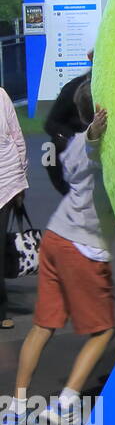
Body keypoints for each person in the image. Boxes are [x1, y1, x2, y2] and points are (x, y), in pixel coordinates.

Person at [1, 84, 115, 425]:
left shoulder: (70, 148)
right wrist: (98, 128)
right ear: (94, 114)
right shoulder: (93, 147)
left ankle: (16, 408)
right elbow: (94, 142)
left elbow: (88, 142)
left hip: (55, 238)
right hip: (82, 247)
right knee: (103, 330)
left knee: (43, 325)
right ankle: (65, 404)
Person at [42, 51, 92, 197]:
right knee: (51, 149)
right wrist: (71, 139)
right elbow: (50, 123)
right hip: (77, 153)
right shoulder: (73, 89)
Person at [1, 84, 29, 331]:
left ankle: (1, 310)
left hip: (5, 183)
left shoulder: (1, 95)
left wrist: (20, 180)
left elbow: (16, 136)